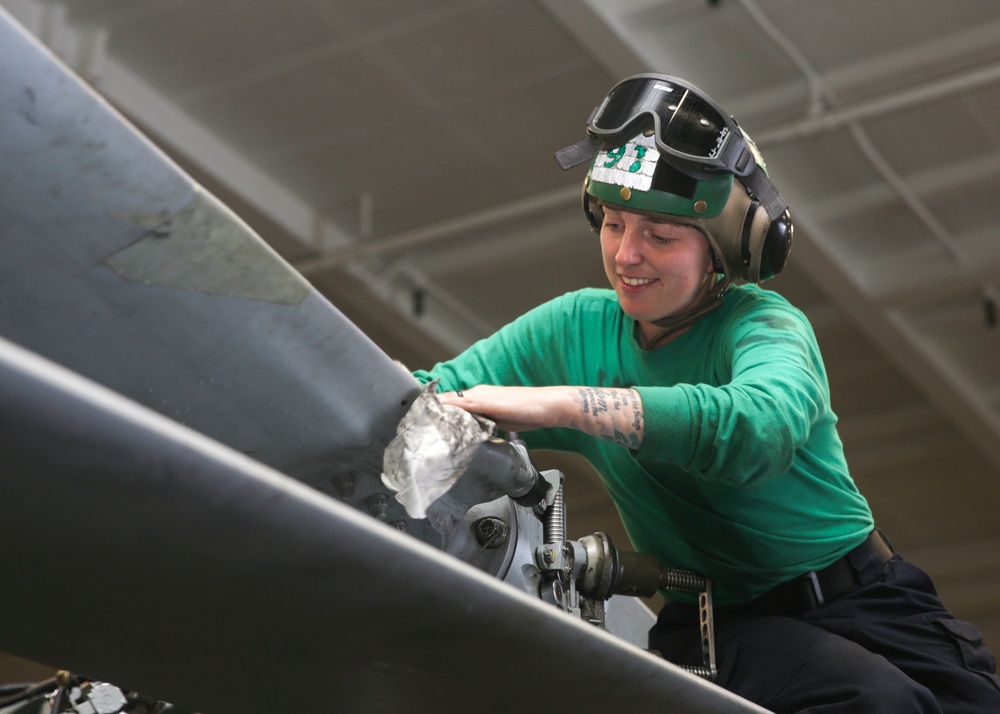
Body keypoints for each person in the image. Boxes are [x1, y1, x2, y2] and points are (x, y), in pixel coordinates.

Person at [412, 73, 1000, 712]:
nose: (627, 255)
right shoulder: (572, 329)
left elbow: (759, 427)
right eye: (613, 224)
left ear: (726, 247)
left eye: (660, 236)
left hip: (872, 595)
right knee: (876, 703)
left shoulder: (763, 325)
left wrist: (569, 405)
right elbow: (417, 395)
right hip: (723, 624)